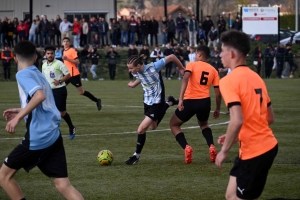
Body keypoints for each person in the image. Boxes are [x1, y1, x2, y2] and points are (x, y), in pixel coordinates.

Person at [0, 41, 84, 200]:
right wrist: (21, 110)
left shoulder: (22, 74)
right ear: (36, 56)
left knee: (3, 177)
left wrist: (17, 118)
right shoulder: (39, 73)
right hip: (53, 134)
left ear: (15, 59)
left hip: (38, 137)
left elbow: (39, 96)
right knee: (63, 185)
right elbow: (46, 102)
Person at [215, 30, 278, 200]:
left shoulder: (228, 81)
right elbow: (269, 117)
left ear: (232, 53)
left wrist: (224, 151)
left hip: (255, 152)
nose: (220, 54)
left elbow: (237, 120)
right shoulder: (256, 77)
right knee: (231, 195)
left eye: (222, 50)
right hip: (264, 147)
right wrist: (234, 137)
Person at [125, 53, 185, 165]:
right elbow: (141, 78)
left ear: (138, 66)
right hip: (147, 102)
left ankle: (136, 156)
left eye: (131, 68)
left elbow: (171, 56)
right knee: (153, 126)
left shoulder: (154, 67)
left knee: (141, 129)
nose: (130, 70)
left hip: (157, 102)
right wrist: (134, 84)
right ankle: (170, 102)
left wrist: (181, 68)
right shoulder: (137, 71)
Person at [169, 45, 221, 164]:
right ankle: (211, 146)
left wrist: (181, 99)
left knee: (174, 124)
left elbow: (185, 79)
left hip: (190, 101)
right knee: (204, 124)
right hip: (205, 101)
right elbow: (218, 94)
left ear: (200, 54)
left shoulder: (192, 64)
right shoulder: (213, 70)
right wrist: (218, 108)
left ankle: (186, 147)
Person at [42, 46, 76, 140]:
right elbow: (44, 78)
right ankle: (51, 131)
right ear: (45, 54)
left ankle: (71, 127)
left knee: (62, 112)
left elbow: (68, 75)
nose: (50, 55)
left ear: (54, 54)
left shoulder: (59, 63)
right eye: (48, 53)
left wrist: (60, 81)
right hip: (49, 91)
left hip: (60, 90)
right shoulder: (44, 65)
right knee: (49, 111)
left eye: (52, 53)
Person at [62, 37, 102, 111]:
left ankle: (97, 100)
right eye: (64, 41)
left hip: (74, 75)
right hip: (67, 75)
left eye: (67, 41)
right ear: (62, 43)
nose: (66, 43)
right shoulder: (64, 51)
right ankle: (59, 106)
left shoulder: (72, 50)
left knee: (81, 92)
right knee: (60, 88)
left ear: (69, 43)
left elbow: (77, 62)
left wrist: (68, 59)